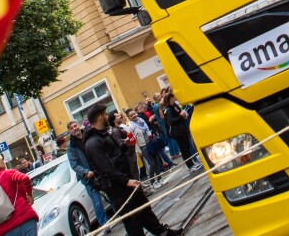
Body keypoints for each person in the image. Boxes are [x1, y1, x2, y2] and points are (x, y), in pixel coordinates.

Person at [83, 104, 165, 236]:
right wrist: (125, 181)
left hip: (126, 179)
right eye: (104, 114)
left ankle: (162, 232)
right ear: (99, 117)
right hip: (118, 186)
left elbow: (113, 155)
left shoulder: (103, 134)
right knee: (132, 220)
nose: (106, 117)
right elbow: (105, 168)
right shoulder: (92, 143)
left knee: (144, 208)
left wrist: (123, 145)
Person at [0, 153, 37, 236]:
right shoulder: (9, 174)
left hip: (2, 229)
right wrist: (29, 194)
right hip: (23, 218)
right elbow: (25, 178)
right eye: (1, 160)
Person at [66, 120, 109, 226]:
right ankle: (104, 224)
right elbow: (74, 165)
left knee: (111, 194)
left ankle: (120, 214)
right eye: (71, 128)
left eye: (75, 126)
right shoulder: (71, 146)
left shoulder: (88, 135)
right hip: (88, 178)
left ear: (78, 126)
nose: (74, 129)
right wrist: (85, 172)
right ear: (69, 131)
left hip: (100, 170)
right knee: (97, 202)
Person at [162, 93, 201, 171]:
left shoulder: (175, 106)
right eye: (173, 97)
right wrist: (180, 116)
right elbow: (171, 121)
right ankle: (190, 166)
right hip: (177, 133)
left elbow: (180, 114)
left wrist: (183, 116)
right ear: (171, 98)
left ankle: (193, 163)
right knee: (183, 149)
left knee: (187, 147)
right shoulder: (168, 110)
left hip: (183, 130)